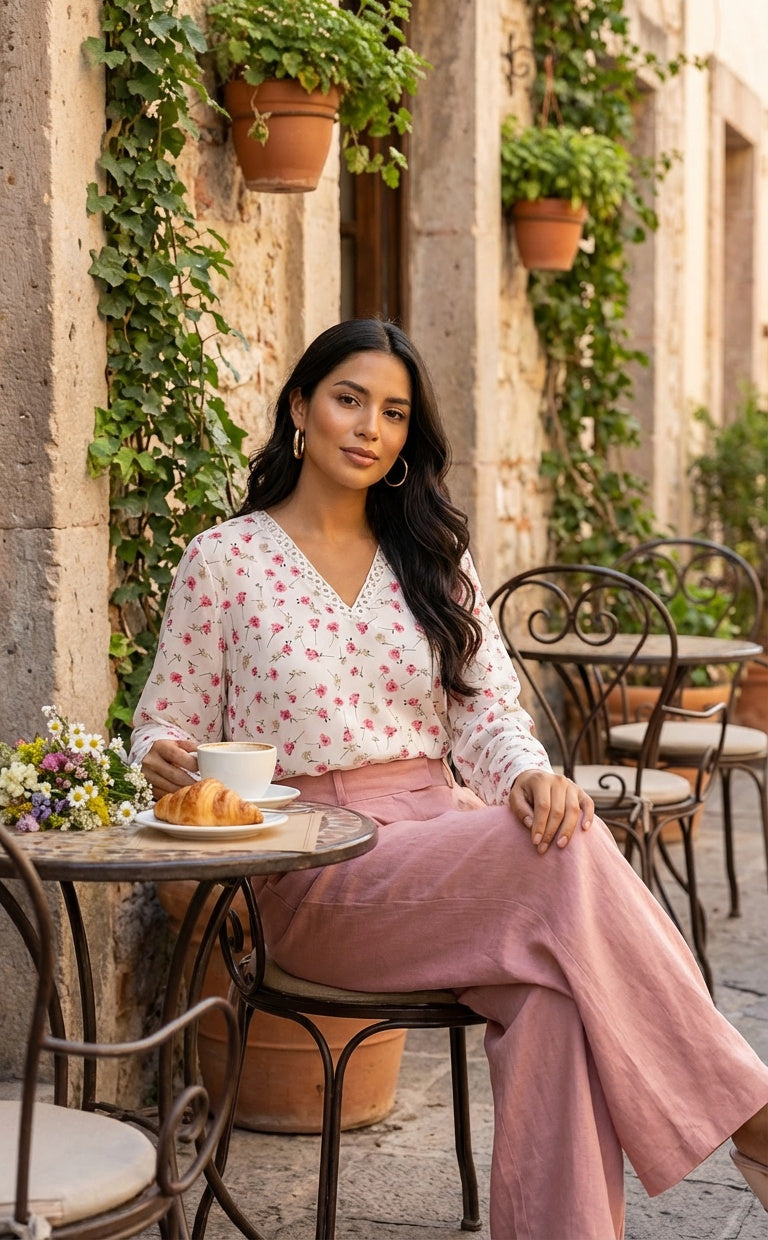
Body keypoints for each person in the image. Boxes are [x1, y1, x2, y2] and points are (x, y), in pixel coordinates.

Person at [131, 318, 768, 1239]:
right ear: (301, 407)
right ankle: (751, 1115)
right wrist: (159, 753)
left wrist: (530, 777)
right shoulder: (223, 561)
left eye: (393, 412)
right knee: (556, 855)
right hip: (310, 864)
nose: (369, 427)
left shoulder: (430, 558)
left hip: (447, 833)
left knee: (555, 990)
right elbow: (161, 721)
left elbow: (488, 715)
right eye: (349, 399)